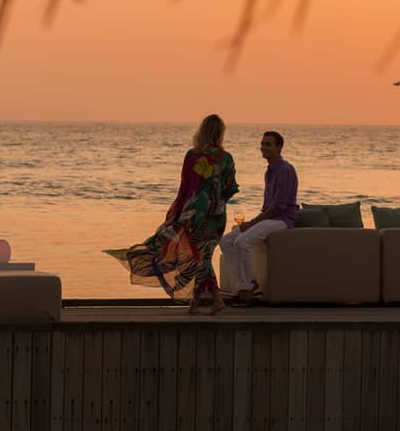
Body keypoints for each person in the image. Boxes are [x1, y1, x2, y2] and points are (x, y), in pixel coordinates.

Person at [109, 114, 239, 315]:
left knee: (199, 257)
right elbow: (230, 189)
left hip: (194, 215)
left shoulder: (193, 155)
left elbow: (185, 187)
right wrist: (216, 200)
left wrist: (176, 212)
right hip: (216, 217)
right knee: (202, 257)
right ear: (221, 133)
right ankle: (198, 303)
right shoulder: (226, 159)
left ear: (202, 131)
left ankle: (214, 300)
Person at [219, 130, 297, 305]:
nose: (263, 147)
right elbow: (267, 207)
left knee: (241, 242)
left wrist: (253, 223)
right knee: (225, 241)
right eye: (262, 144)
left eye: (268, 144)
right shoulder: (269, 171)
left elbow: (277, 208)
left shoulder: (285, 170)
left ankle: (248, 290)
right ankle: (248, 284)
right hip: (270, 218)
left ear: (279, 147)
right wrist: (253, 222)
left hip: (282, 220)